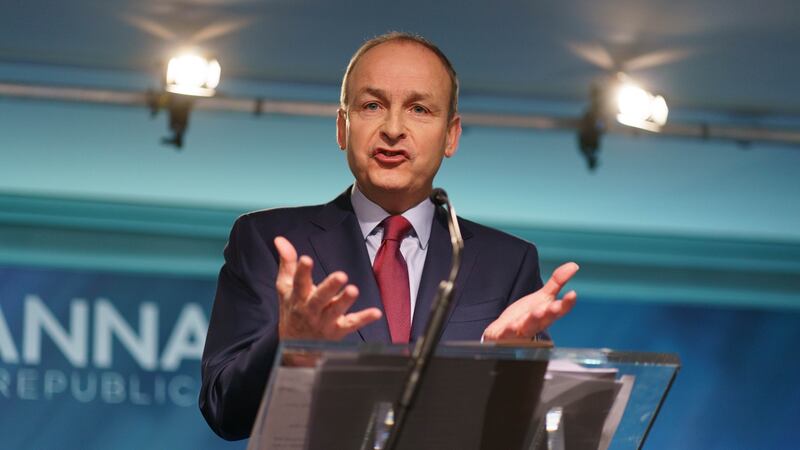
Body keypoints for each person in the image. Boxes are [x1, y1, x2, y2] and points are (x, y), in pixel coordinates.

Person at [199, 32, 579, 441]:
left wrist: (507, 362)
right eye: (372, 105)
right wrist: (289, 345)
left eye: (419, 108)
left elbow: (533, 433)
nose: (393, 129)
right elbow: (225, 410)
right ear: (343, 127)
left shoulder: (507, 262)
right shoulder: (269, 242)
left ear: (451, 136)